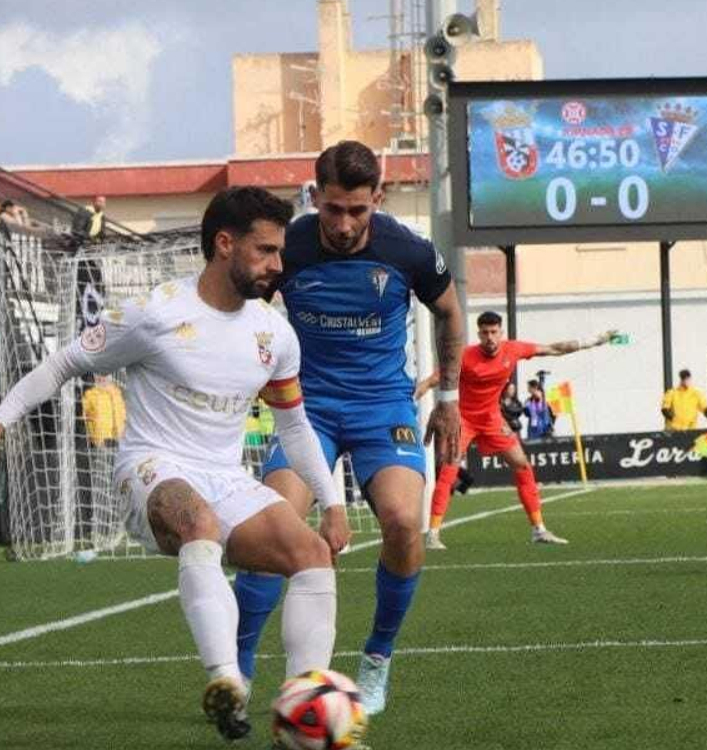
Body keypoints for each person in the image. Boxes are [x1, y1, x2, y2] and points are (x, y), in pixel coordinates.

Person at [0, 186, 351, 743]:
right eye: (266, 251)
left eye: (280, 253)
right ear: (224, 245)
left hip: (226, 476)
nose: (278, 266)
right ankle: (226, 682)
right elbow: (62, 364)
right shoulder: (154, 312)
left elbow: (294, 425)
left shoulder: (274, 333)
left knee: (311, 554)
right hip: (151, 466)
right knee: (199, 523)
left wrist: (332, 503)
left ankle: (301, 706)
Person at [231, 140, 464, 718]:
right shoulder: (291, 246)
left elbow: (451, 311)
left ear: (377, 199)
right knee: (272, 527)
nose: (343, 223)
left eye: (357, 210)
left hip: (382, 406)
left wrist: (450, 398)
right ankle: (234, 668)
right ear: (315, 197)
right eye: (332, 208)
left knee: (405, 522)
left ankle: (377, 659)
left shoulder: (406, 249)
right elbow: (242, 305)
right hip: (306, 407)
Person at [421, 311, 615, 548]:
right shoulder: (467, 356)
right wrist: (415, 392)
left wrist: (593, 341)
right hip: (464, 420)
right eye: (485, 333)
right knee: (449, 470)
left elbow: (554, 348)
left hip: (493, 420)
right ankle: (432, 534)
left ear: (501, 332)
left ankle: (539, 530)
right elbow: (435, 379)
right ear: (479, 333)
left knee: (522, 465)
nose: (490, 337)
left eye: (494, 332)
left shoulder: (513, 349)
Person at [82, 374, 127, 448]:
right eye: (97, 375)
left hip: (117, 439)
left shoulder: (116, 392)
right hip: (100, 441)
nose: (101, 378)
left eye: (105, 375)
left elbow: (123, 415)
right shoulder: (89, 395)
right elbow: (84, 417)